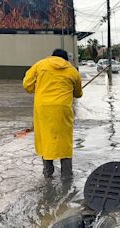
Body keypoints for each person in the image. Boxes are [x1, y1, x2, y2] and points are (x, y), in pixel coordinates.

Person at [23, 49, 83, 179]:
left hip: (43, 109)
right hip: (63, 109)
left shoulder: (40, 65)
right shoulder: (73, 71)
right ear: (67, 59)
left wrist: (39, 88)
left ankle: (48, 173)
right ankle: (66, 175)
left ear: (51, 56)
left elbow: (27, 85)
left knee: (46, 138)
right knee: (64, 141)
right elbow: (78, 93)